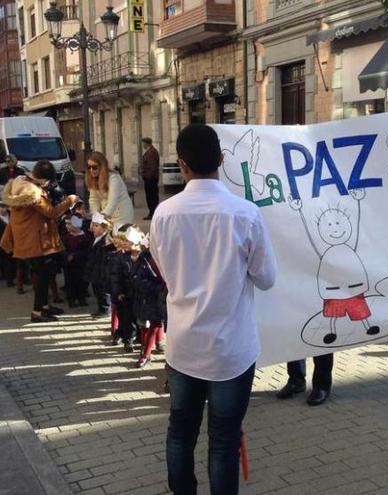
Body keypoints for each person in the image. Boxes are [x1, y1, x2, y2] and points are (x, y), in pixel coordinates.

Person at [149, 124, 277, 495]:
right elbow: (267, 278)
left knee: (180, 432)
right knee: (223, 440)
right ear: (221, 160)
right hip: (231, 351)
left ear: (181, 164)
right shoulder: (246, 213)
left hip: (184, 345)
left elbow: (163, 270)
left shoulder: (163, 214)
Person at [0, 160, 78, 323]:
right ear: (42, 179)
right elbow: (51, 212)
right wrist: (70, 200)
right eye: (47, 180)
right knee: (42, 276)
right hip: (36, 241)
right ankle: (37, 312)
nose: (48, 184)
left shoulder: (21, 182)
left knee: (46, 272)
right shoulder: (32, 194)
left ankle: (44, 307)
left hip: (31, 239)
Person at [132, 234, 167, 368]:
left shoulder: (170, 256)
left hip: (168, 299)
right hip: (151, 298)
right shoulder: (144, 259)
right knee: (151, 325)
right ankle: (145, 354)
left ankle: (158, 345)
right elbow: (137, 279)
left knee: (159, 325)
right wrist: (159, 287)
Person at [109, 224, 139, 352]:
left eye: (128, 241)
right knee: (126, 318)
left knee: (137, 317)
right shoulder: (121, 258)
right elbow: (116, 276)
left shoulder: (142, 257)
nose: (125, 244)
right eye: (124, 241)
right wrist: (119, 292)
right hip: (126, 294)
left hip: (138, 294)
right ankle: (128, 340)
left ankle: (137, 337)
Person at [85, 151, 134, 225]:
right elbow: (94, 200)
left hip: (122, 215)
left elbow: (112, 203)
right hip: (107, 216)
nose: (91, 170)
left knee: (118, 236)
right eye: (89, 167)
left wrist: (98, 219)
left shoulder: (114, 178)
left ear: (102, 166)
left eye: (94, 167)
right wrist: (95, 216)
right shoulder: (93, 179)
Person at [85, 212, 114, 318]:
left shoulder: (106, 242)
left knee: (103, 292)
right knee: (97, 291)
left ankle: (105, 309)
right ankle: (101, 308)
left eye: (96, 226)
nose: (93, 228)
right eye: (92, 225)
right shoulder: (95, 238)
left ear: (105, 228)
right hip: (95, 271)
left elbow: (105, 259)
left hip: (101, 272)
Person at [63, 215, 92, 308]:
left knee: (82, 282)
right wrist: (66, 256)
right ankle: (71, 299)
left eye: (69, 223)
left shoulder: (86, 238)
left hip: (82, 265)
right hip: (69, 266)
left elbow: (88, 251)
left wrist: (75, 255)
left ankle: (81, 298)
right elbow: (62, 251)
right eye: (66, 224)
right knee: (70, 282)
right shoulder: (65, 238)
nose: (67, 226)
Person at [140, 137, 160, 220]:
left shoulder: (151, 153)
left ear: (146, 143)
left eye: (143, 143)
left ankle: (153, 212)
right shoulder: (150, 152)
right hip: (150, 178)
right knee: (151, 196)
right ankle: (152, 212)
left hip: (150, 179)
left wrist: (148, 177)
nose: (143, 145)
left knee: (152, 196)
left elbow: (152, 167)